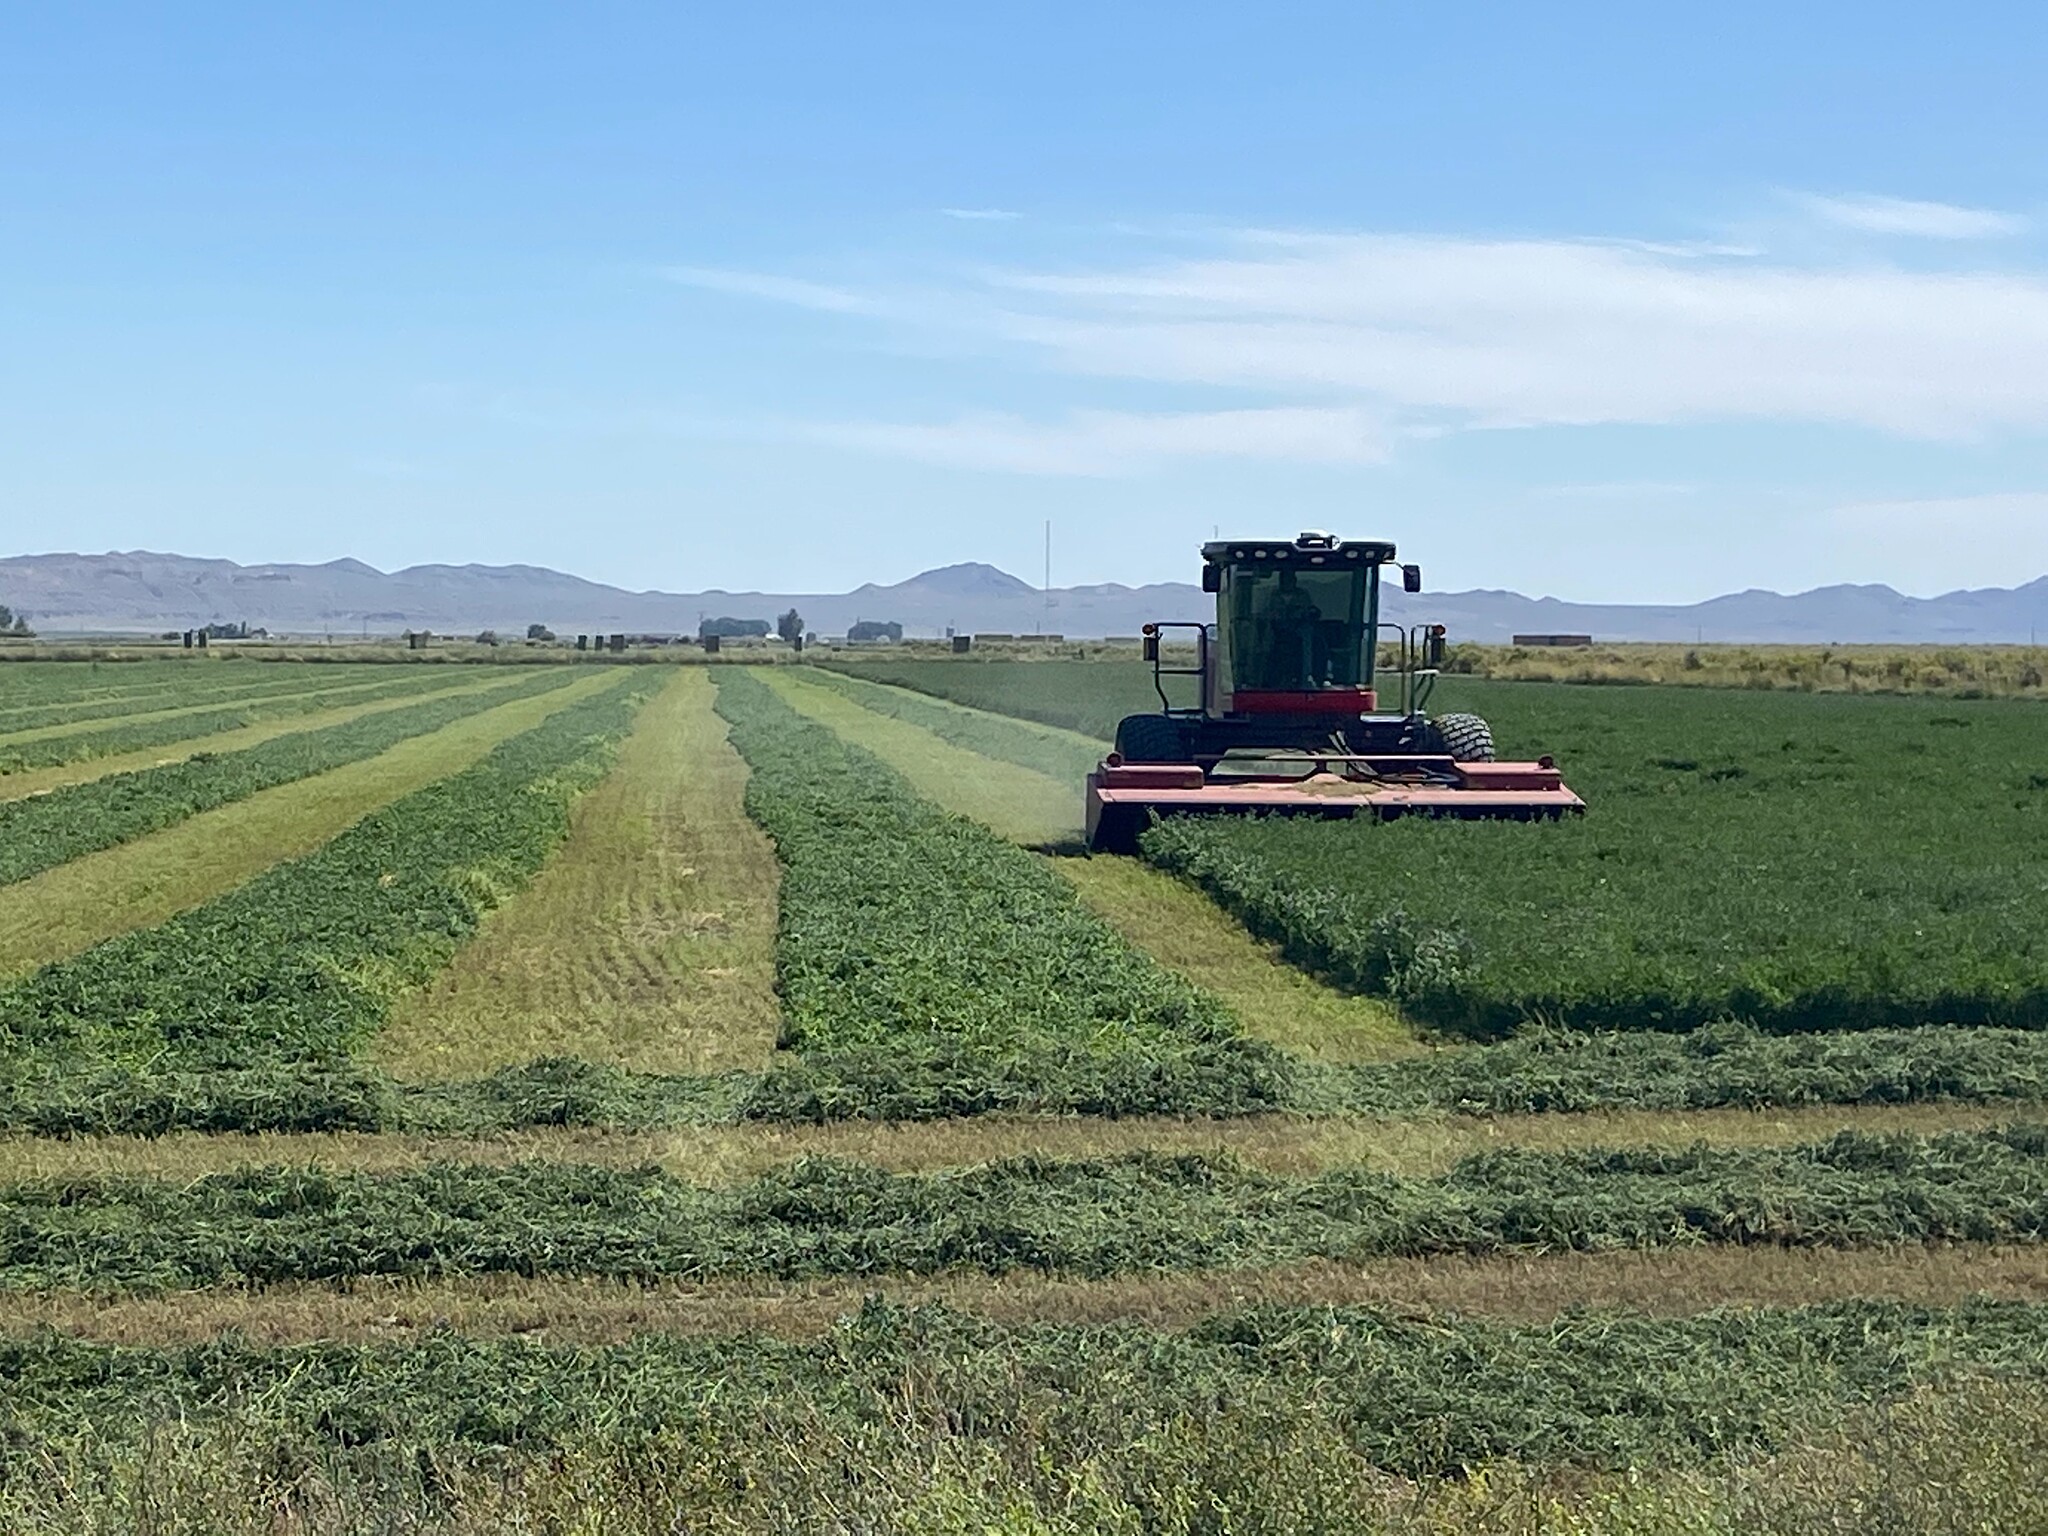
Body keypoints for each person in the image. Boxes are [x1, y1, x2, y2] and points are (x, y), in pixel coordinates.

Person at [1258, 568, 1320, 688]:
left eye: (1290, 579)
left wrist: (1298, 615)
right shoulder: (1272, 595)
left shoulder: (1302, 595)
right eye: (1284, 579)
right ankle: (1263, 678)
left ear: (1294, 580)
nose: (1287, 582)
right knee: (1266, 638)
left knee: (1308, 636)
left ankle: (1307, 676)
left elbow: (1309, 611)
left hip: (1298, 630)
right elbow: (1265, 613)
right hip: (1276, 631)